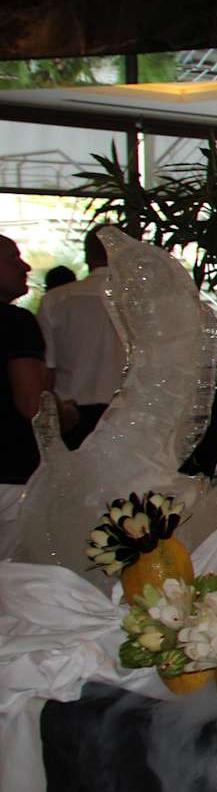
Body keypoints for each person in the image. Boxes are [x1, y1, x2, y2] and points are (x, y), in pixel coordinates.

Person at [37, 230, 126, 449]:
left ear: (87, 256)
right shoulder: (141, 302)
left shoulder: (55, 300)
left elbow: (46, 372)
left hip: (72, 415)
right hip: (127, 412)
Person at [0, 236, 54, 557]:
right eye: (12, 259)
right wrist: (66, 412)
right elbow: (32, 403)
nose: (25, 266)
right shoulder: (15, 323)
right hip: (10, 476)